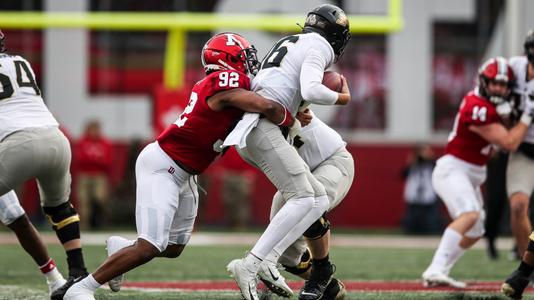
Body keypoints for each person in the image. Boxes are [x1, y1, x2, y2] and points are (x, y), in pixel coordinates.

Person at [63, 32, 294, 300]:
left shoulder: (225, 83)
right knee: (149, 246)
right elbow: (263, 105)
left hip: (185, 173)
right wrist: (288, 115)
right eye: (244, 58)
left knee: (173, 247)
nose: (250, 63)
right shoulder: (223, 80)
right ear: (227, 60)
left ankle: (121, 248)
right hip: (163, 165)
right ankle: (81, 288)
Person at [224, 4, 352, 300]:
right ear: (336, 35)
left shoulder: (288, 48)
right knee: (302, 212)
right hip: (265, 131)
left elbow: (292, 93)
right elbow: (312, 89)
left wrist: (296, 113)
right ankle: (266, 265)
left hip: (327, 158)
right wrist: (341, 98)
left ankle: (315, 276)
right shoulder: (318, 48)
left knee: (310, 202)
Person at [421, 56, 534, 289]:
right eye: (494, 83)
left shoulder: (491, 106)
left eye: (503, 85)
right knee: (470, 214)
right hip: (453, 169)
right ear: (483, 82)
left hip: (470, 173)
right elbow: (510, 143)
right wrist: (527, 115)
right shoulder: (477, 107)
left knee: (475, 230)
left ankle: (440, 270)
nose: (499, 88)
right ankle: (434, 268)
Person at [0, 30, 89, 299]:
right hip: (55, 138)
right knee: (59, 208)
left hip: (17, 143)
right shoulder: (20, 62)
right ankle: (78, 273)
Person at [258, 109, 354, 300]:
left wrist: (340, 97)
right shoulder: (242, 123)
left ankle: (322, 272)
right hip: (300, 175)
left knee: (310, 205)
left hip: (331, 160)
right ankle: (330, 286)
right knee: (285, 252)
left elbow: (305, 90)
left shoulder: (272, 97)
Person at [507, 29, 534, 259]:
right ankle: (527, 264)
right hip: (523, 149)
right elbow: (489, 83)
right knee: (517, 207)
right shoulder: (514, 67)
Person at [75, 120, 113, 229]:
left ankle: (100, 221)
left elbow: (108, 160)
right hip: (84, 174)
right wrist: (96, 160)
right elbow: (80, 159)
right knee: (84, 200)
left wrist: (95, 160)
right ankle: (84, 225)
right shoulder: (83, 141)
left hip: (99, 175)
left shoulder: (105, 142)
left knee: (100, 198)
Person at [401, 145, 442, 235]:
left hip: (429, 196)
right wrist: (411, 162)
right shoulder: (413, 164)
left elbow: (439, 170)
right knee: (411, 221)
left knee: (431, 221)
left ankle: (431, 235)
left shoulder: (432, 164)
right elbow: (402, 175)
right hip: (413, 196)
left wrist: (430, 158)